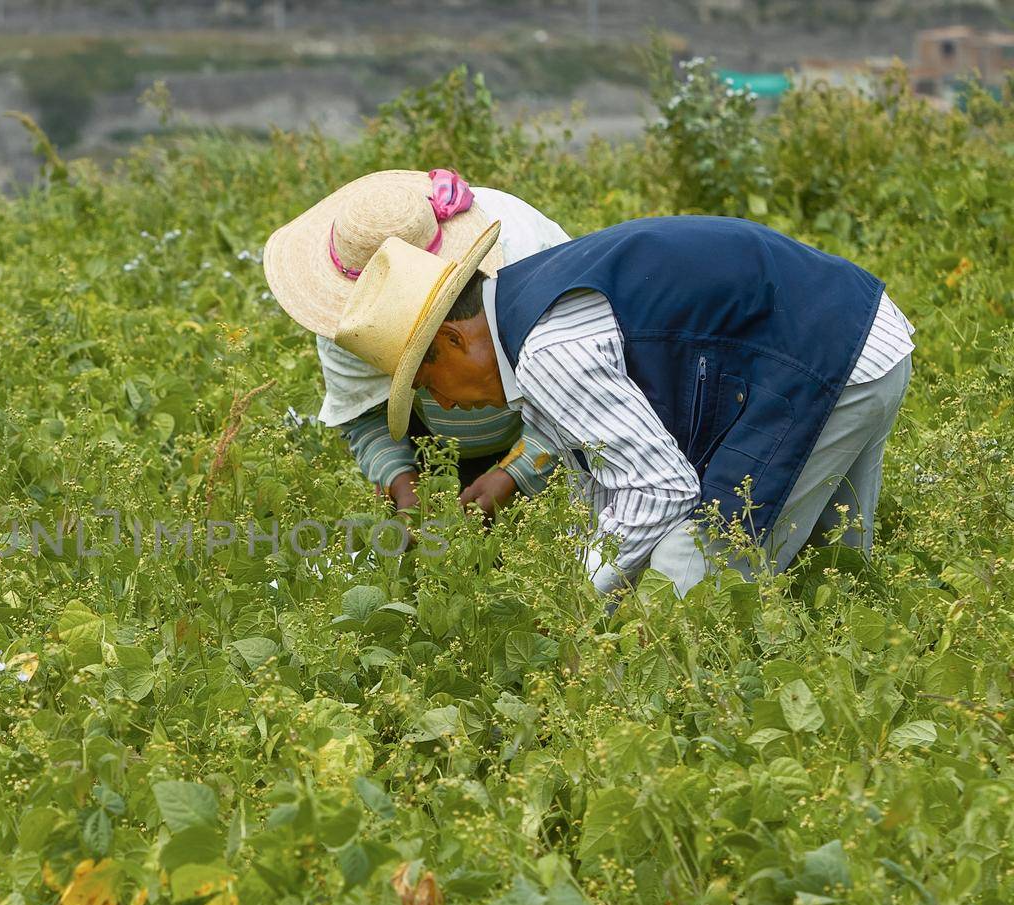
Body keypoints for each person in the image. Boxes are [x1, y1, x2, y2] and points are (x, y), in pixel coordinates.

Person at [329, 216, 914, 596]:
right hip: (866, 334)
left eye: (427, 381)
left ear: (454, 340)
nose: (440, 401)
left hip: (826, 366)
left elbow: (660, 488)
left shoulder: (545, 351)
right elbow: (605, 461)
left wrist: (581, 599)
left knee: (691, 583)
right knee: (832, 572)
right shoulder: (526, 301)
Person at [263, 170, 569, 517]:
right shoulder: (340, 314)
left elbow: (575, 393)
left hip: (552, 434)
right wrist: (403, 486)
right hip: (436, 454)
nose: (443, 400)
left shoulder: (525, 256)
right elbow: (362, 412)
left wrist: (520, 470)